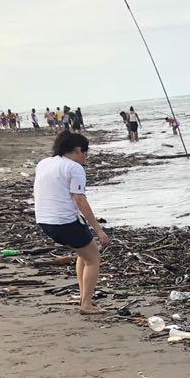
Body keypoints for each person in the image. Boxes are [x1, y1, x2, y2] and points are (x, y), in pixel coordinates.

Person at [33, 131, 110, 315]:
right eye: (85, 152)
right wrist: (99, 230)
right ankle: (86, 304)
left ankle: (84, 297)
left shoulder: (44, 163)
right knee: (93, 259)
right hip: (64, 222)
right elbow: (80, 200)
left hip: (44, 221)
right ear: (77, 150)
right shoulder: (74, 168)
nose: (85, 157)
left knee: (83, 253)